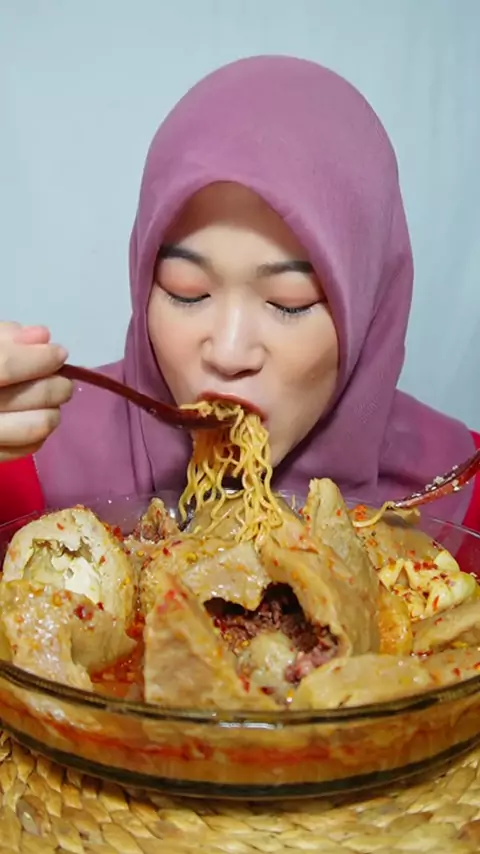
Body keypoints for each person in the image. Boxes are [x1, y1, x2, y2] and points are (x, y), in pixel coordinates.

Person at [0, 55, 479, 530]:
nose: (228, 354)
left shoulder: (464, 495)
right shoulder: (25, 460)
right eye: (186, 291)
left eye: (289, 301)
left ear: (370, 305)